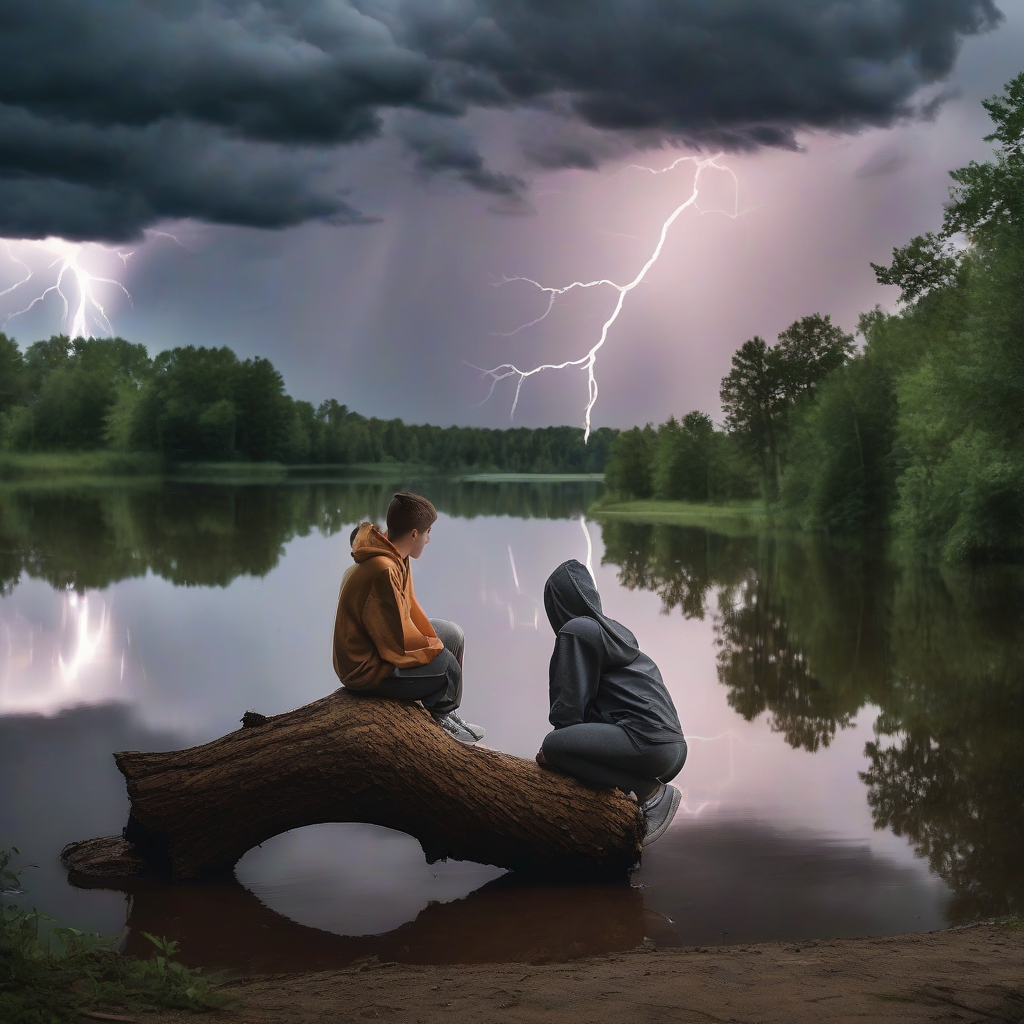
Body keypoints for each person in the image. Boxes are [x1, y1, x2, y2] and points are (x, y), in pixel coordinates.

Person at [537, 559, 686, 845]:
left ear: (556, 603)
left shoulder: (577, 630)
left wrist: (558, 750)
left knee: (555, 746)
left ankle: (652, 794)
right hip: (671, 749)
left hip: (647, 744)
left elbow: (567, 715)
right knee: (564, 748)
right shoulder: (611, 633)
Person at [332, 492, 485, 744]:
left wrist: (432, 643)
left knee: (452, 635)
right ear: (414, 534)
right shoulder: (383, 568)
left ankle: (446, 709)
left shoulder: (397, 556)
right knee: (447, 665)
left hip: (383, 646)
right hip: (365, 667)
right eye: (427, 532)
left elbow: (409, 613)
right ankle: (441, 715)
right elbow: (394, 643)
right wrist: (434, 652)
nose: (428, 539)